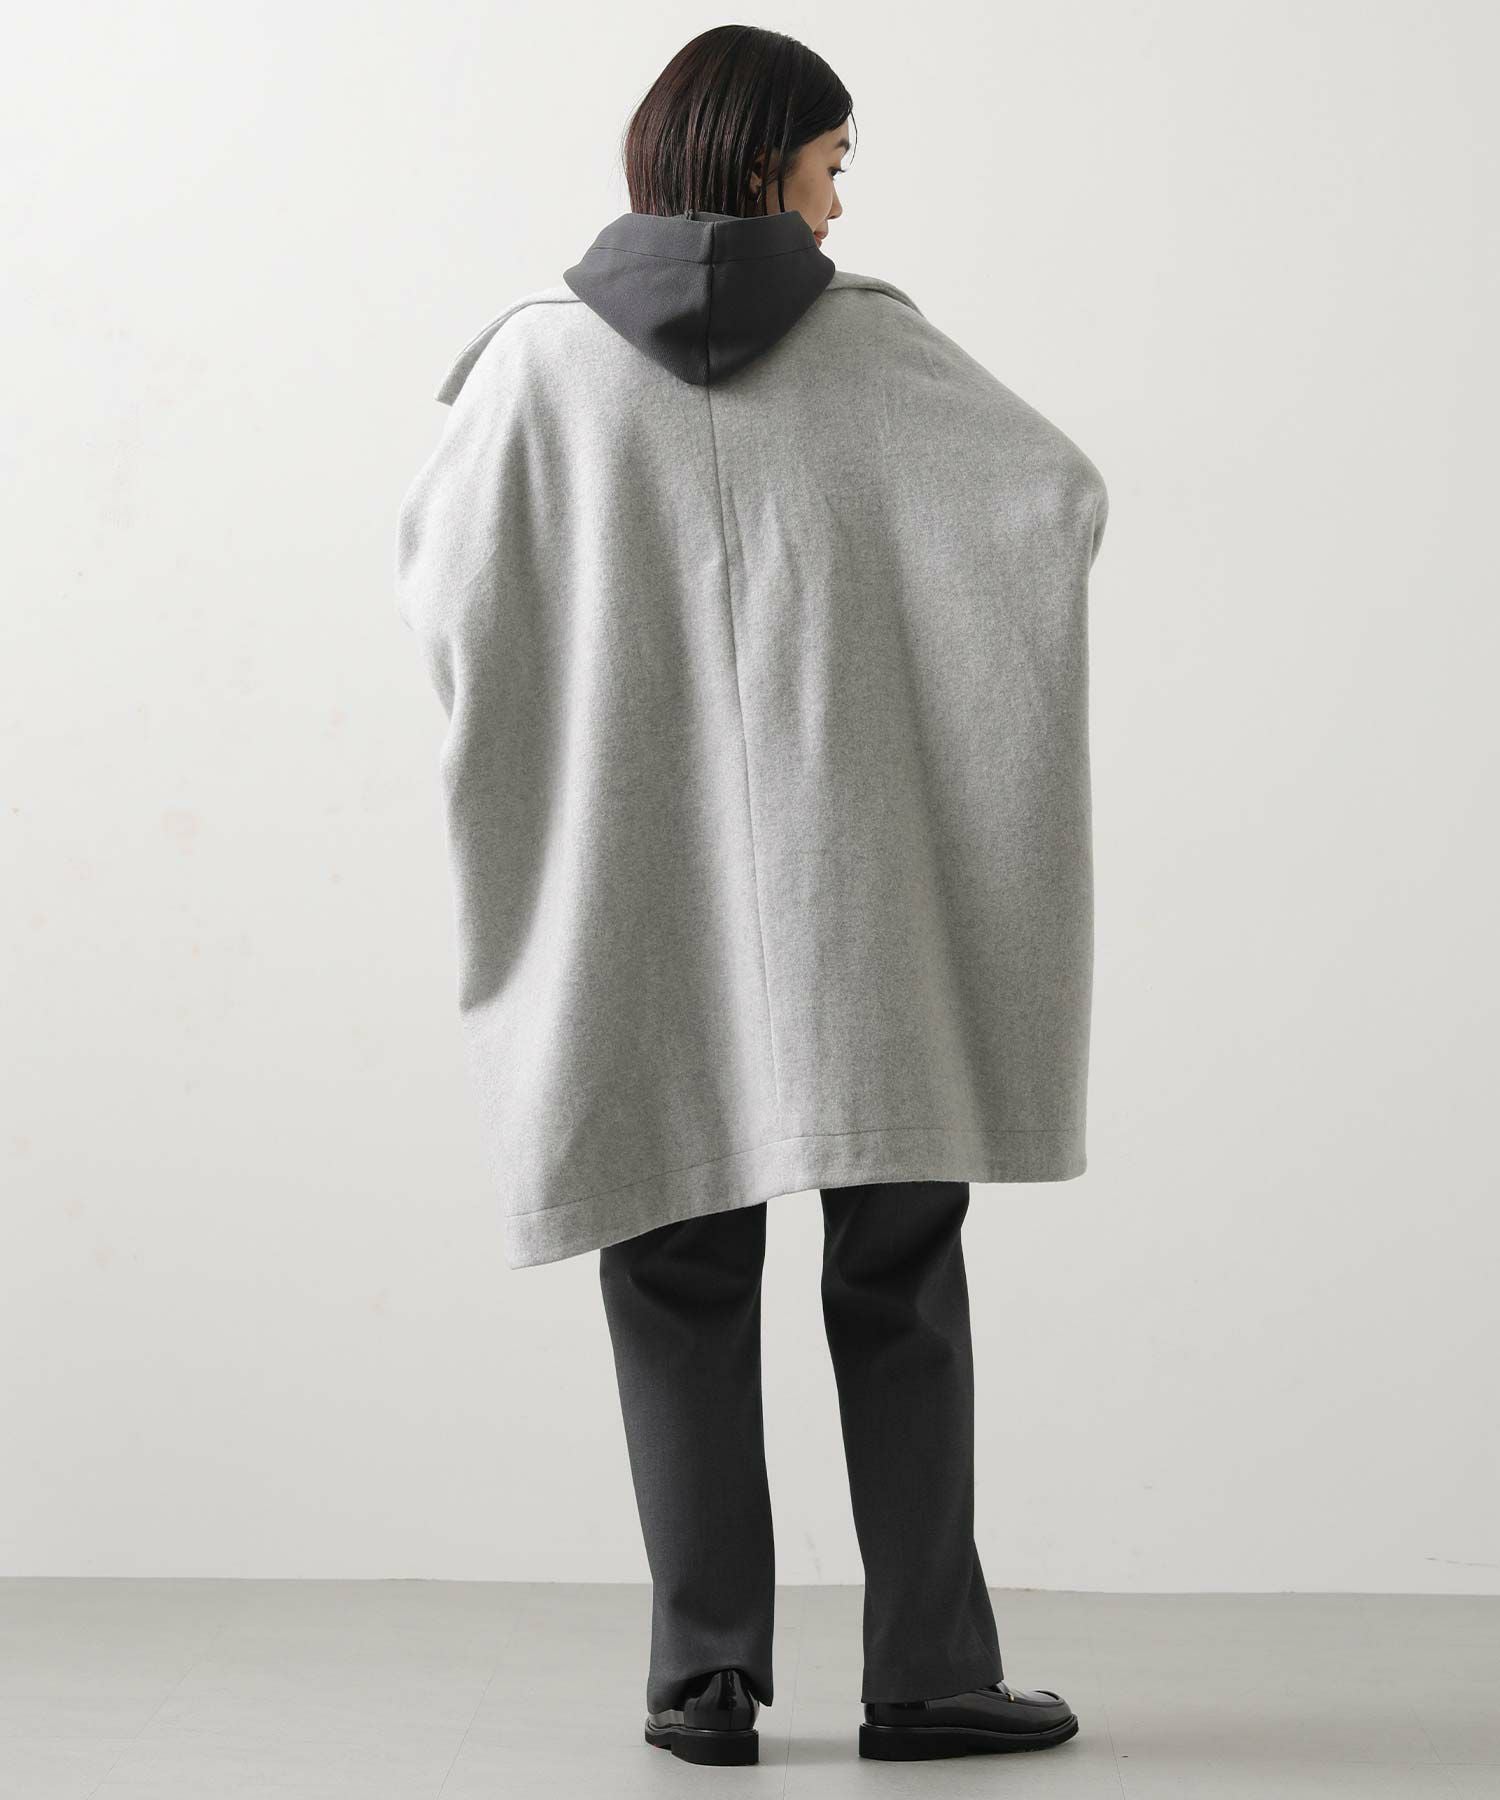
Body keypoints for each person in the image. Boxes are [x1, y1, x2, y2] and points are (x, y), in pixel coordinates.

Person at [394, 23, 1107, 1769]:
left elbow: (445, 588)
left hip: (640, 891)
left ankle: (704, 1678)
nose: (840, 202)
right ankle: (925, 1674)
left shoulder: (533, 367)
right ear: (763, 158)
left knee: (674, 1266)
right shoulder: (874, 348)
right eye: (832, 163)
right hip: (860, 900)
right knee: (900, 1268)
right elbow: (1056, 500)